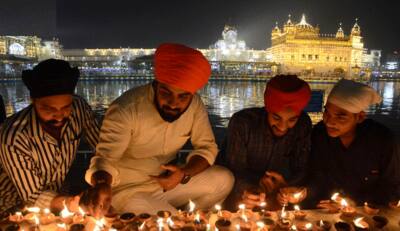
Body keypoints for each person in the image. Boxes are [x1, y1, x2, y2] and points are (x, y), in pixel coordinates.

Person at [85, 43, 234, 214]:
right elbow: (105, 159)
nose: (173, 103)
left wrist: (184, 173)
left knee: (224, 179)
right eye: (166, 93)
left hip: (167, 184)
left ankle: (191, 219)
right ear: (156, 84)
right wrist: (102, 185)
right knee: (167, 220)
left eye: (183, 97)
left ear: (191, 95)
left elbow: (207, 147)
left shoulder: (195, 105)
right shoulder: (126, 108)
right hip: (127, 191)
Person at [0, 59, 100, 216]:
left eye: (66, 107)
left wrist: (102, 181)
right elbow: (33, 196)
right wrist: (70, 203)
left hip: (60, 194)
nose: (59, 116)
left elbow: (102, 146)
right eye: (49, 109)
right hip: (14, 206)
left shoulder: (78, 108)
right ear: (33, 101)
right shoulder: (14, 137)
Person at [223, 75, 312, 210]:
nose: (282, 127)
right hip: (243, 196)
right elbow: (234, 168)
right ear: (267, 109)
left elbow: (301, 168)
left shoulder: (303, 124)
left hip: (281, 197)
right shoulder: (243, 122)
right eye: (276, 117)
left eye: (292, 120)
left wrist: (287, 185)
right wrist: (252, 186)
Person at [308, 79, 400, 206]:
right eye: (327, 113)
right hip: (326, 208)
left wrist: (354, 202)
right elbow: (315, 174)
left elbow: (392, 187)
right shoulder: (320, 134)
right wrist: (304, 191)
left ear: (360, 117)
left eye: (340, 116)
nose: (329, 122)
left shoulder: (382, 140)